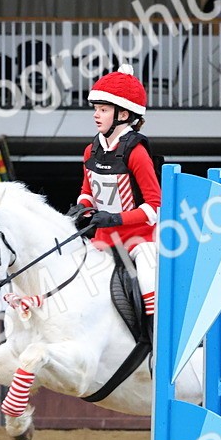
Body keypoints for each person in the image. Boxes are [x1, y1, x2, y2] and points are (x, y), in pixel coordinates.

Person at [69, 65, 160, 316]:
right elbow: (87, 189)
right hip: (104, 239)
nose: (96, 115)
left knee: (150, 281)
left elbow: (154, 207)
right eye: (96, 109)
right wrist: (82, 207)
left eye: (103, 110)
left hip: (139, 239)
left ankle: (156, 342)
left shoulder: (137, 152)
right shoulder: (91, 150)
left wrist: (116, 218)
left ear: (122, 114)